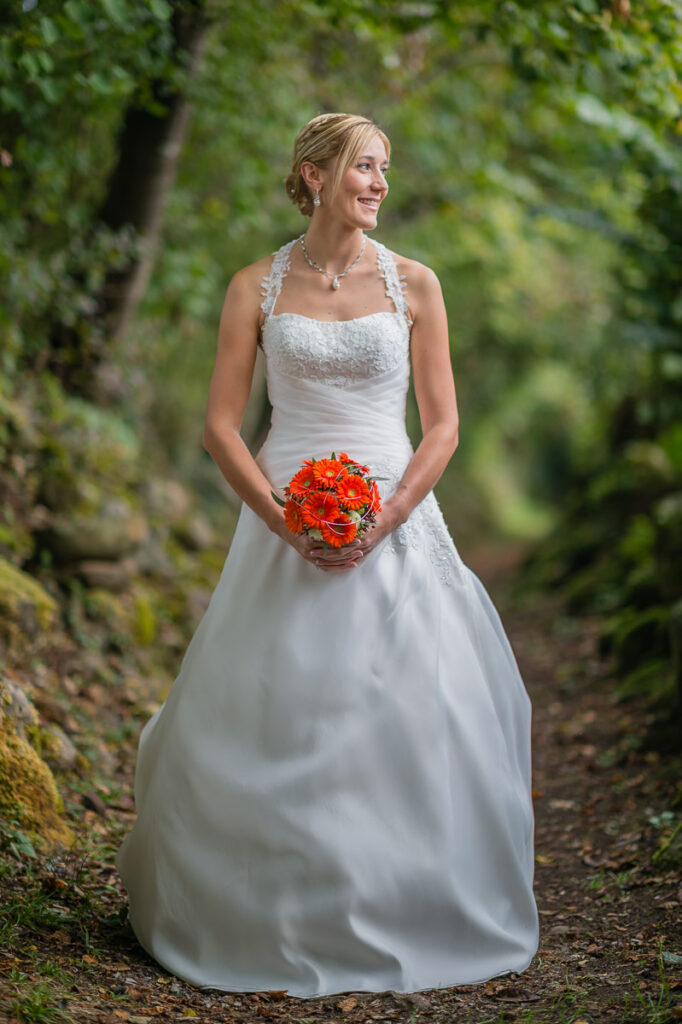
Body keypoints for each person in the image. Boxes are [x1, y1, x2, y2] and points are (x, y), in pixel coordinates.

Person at [116, 112, 539, 998]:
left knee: (406, 705)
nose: (379, 184)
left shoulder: (416, 283)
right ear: (314, 175)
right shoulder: (254, 286)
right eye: (363, 167)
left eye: (384, 169)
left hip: (396, 514)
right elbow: (220, 427)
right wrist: (283, 520)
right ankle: (268, 910)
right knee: (279, 700)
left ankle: (407, 899)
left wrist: (385, 517)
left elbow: (443, 425)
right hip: (285, 513)